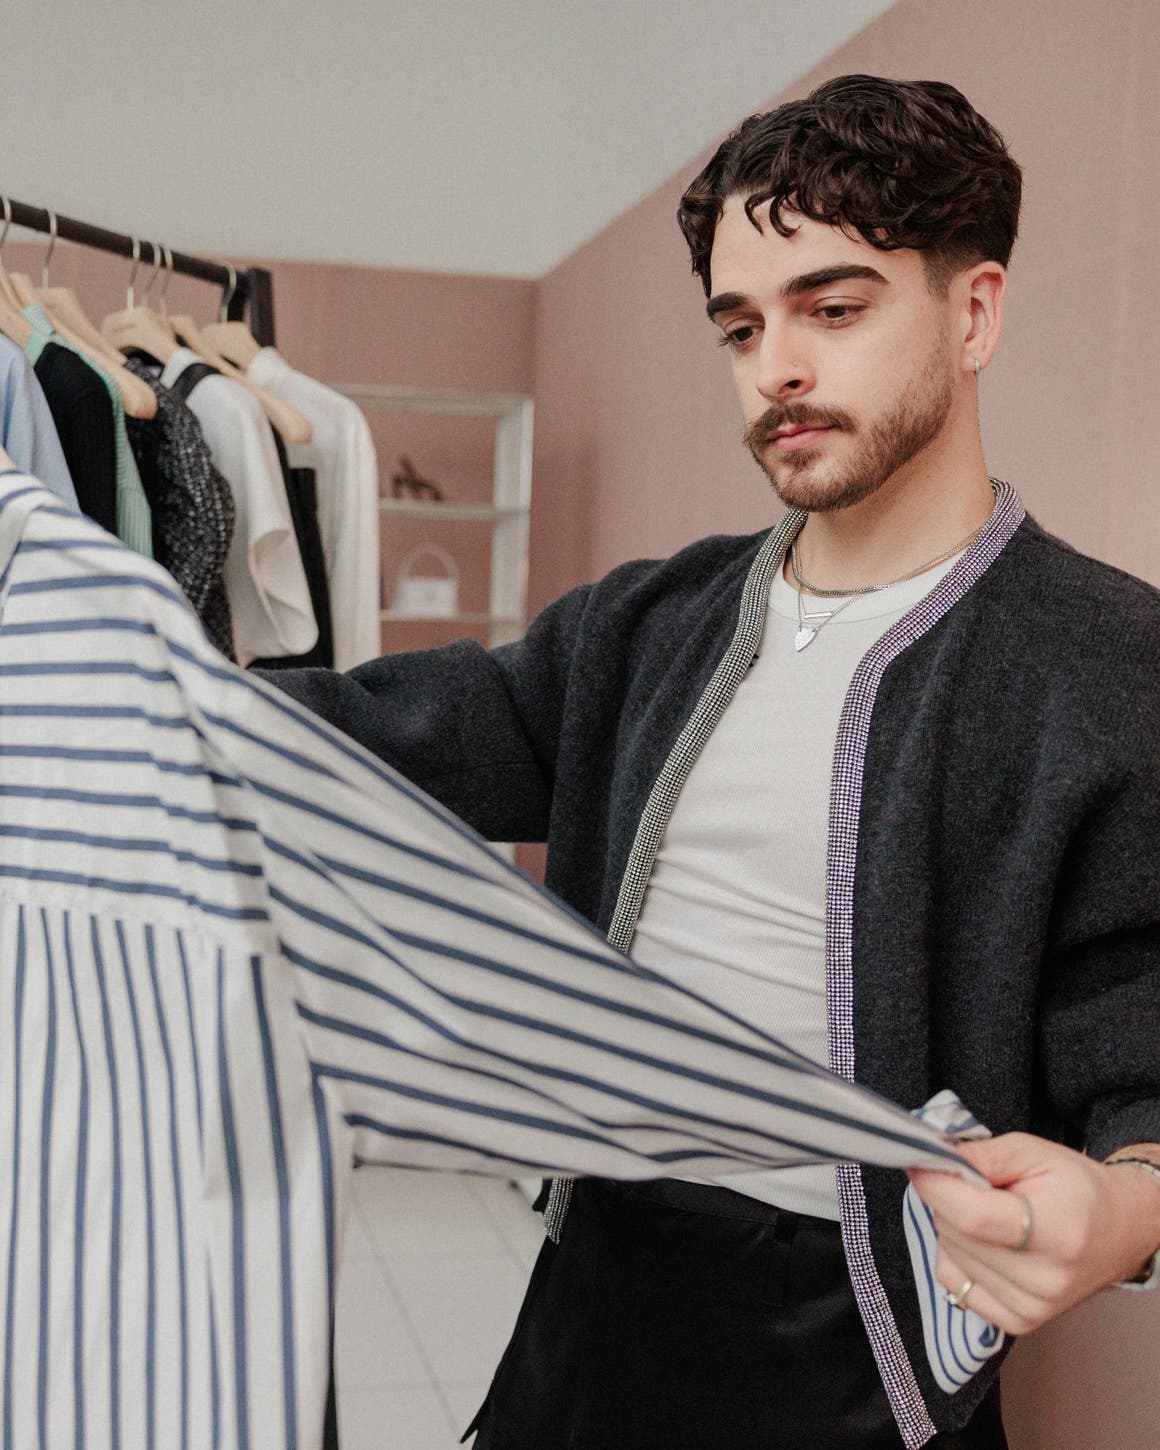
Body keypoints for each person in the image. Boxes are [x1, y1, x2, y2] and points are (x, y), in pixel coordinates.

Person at [263, 76, 1160, 1449]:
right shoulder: (653, 620)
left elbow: (1143, 1045)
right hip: (601, 1267)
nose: (775, 367)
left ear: (974, 311)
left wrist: (1121, 1210)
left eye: (833, 308)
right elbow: (401, 732)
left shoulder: (1103, 657)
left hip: (866, 1339)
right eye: (742, 324)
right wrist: (126, 682)